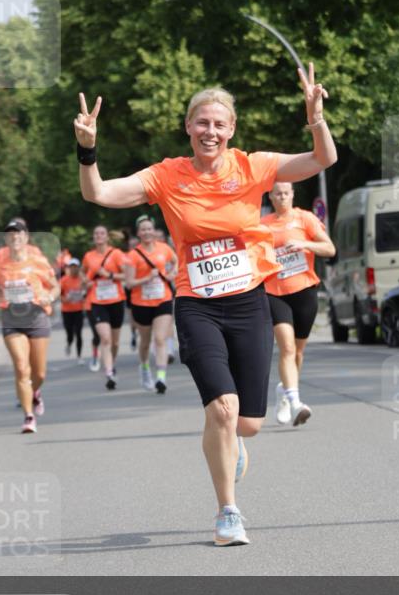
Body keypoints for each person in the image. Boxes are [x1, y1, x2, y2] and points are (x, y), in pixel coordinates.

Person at [74, 62, 336, 546]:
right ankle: (228, 512)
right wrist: (88, 148)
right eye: (202, 123)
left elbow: (322, 160)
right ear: (188, 128)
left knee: (248, 424)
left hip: (249, 301)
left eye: (219, 124)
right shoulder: (167, 176)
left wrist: (315, 118)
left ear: (231, 129)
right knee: (221, 407)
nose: (209, 131)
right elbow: (99, 193)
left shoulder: (252, 166)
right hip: (197, 304)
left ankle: (232, 439)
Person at [262, 182, 335, 425]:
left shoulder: (305, 219)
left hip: (304, 290)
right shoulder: (263, 225)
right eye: (277, 193)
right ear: (270, 196)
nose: (282, 197)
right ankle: (295, 403)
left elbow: (329, 248)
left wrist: (305, 244)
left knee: (299, 351)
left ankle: (284, 391)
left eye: (286, 193)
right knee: (287, 348)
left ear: (292, 194)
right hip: (274, 292)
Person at [0, 219, 60, 433]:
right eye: (10, 234)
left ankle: (34, 392)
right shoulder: (0, 263)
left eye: (18, 233)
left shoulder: (37, 261)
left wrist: (49, 297)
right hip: (11, 319)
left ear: (26, 237)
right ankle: (28, 416)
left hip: (36, 317)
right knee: (21, 367)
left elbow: (55, 287)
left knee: (40, 374)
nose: (14, 237)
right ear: (6, 239)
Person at [124, 214, 177, 393]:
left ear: (153, 231)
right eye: (143, 229)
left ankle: (161, 378)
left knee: (160, 339)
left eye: (149, 229)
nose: (147, 232)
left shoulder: (164, 249)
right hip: (141, 303)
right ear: (139, 233)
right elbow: (129, 283)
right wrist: (147, 278)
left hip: (163, 299)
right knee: (145, 342)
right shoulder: (132, 256)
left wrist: (172, 274)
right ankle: (145, 368)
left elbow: (175, 261)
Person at [81, 225, 127, 390]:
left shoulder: (117, 254)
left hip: (116, 300)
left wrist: (110, 275)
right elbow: (84, 275)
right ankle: (109, 373)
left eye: (102, 233)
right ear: (93, 237)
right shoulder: (88, 256)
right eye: (96, 233)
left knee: (114, 342)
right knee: (105, 338)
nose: (98, 236)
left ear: (107, 237)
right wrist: (86, 281)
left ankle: (112, 364)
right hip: (97, 302)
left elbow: (127, 275)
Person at [60, 257, 85, 364]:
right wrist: (65, 299)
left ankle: (79, 356)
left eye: (75, 267)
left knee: (78, 333)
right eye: (71, 267)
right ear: (69, 268)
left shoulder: (82, 279)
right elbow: (58, 294)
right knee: (70, 333)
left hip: (79, 310)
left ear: (79, 268)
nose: (73, 269)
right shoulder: (64, 280)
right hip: (67, 311)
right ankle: (69, 343)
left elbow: (88, 290)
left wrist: (84, 295)